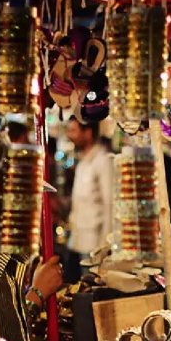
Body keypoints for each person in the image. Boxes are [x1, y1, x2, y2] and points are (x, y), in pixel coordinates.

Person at [64, 117, 113, 283]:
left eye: (73, 130)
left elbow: (110, 205)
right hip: (79, 241)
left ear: (88, 132)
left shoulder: (102, 161)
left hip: (94, 245)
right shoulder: (83, 161)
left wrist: (104, 246)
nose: (69, 135)